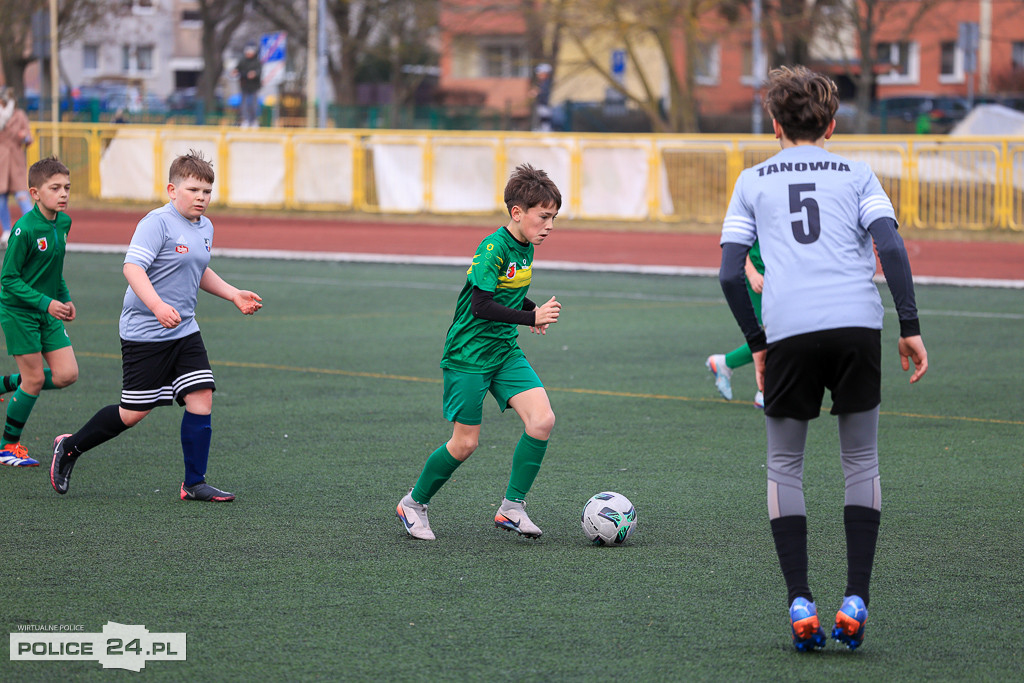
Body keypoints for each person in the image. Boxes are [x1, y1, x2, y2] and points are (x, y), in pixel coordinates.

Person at [718, 66, 928, 653]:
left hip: (789, 331)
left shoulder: (752, 180)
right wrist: (909, 326)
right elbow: (890, 245)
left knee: (785, 467)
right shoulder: (859, 173)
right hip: (858, 325)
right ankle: (856, 598)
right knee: (861, 462)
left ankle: (801, 602)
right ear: (832, 124)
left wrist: (756, 343)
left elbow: (731, 273)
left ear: (775, 124)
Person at [49, 150, 263, 501]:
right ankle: (70, 447)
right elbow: (132, 268)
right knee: (133, 413)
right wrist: (158, 305)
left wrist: (233, 294)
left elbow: (197, 268)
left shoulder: (205, 226)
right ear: (171, 189)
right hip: (145, 332)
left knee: (201, 394)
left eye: (207, 192)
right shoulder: (156, 223)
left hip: (184, 329)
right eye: (194, 190)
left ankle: (194, 483)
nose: (201, 198)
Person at [396, 164, 562, 541]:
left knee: (542, 420)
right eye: (544, 216)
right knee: (465, 443)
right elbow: (480, 305)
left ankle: (512, 508)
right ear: (517, 213)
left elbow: (510, 292)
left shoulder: (525, 247)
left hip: (504, 352)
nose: (550, 225)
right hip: (468, 356)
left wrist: (529, 312)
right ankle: (413, 503)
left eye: (554, 218)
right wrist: (529, 315)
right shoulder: (492, 247)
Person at [0, 157, 78, 466]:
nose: (63, 194)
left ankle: (7, 383)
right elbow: (7, 280)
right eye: (55, 188)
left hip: (48, 312)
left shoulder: (64, 222)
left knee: (67, 375)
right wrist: (46, 302)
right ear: (35, 193)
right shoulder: (25, 229)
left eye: (67, 188)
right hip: (19, 312)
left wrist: (65, 298)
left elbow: (53, 268)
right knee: (32, 381)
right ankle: (8, 446)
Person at [706, 240, 765, 409]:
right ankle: (764, 393)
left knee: (783, 333)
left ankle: (725, 363)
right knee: (776, 333)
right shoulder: (750, 212)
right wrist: (752, 273)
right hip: (759, 276)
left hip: (779, 274)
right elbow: (736, 242)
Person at [0, 87, 35, 246]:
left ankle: (33, 230)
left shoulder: (19, 115)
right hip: (1, 161)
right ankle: (6, 231)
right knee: (1, 199)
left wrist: (25, 137)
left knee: (22, 197)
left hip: (15, 160)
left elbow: (29, 138)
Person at [233, 44, 262, 129]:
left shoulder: (257, 61)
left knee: (254, 104)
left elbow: (259, 71)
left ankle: (254, 121)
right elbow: (237, 69)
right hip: (244, 85)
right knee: (244, 104)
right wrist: (235, 71)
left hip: (254, 86)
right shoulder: (242, 61)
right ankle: (245, 120)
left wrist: (254, 74)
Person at [531, 63, 553, 132]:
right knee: (542, 118)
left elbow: (543, 93)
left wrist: (537, 93)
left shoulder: (546, 83)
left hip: (545, 104)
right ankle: (544, 130)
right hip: (543, 104)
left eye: (540, 73)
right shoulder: (542, 83)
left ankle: (546, 131)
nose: (538, 75)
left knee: (545, 119)